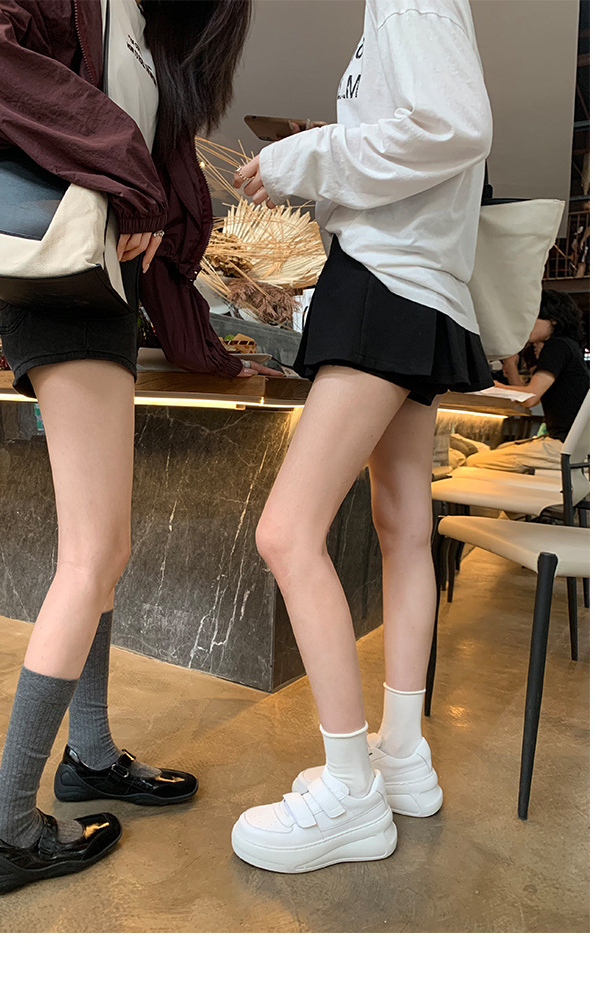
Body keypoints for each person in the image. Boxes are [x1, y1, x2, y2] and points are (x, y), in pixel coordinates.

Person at [0, 0, 266, 896]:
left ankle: (90, 755)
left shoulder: (149, 29)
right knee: (93, 555)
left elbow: (155, 179)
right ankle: (7, 830)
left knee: (101, 552)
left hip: (105, 297)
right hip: (60, 281)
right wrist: (127, 177)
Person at [230, 0, 493, 873]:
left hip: (385, 281)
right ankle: (402, 758)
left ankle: (350, 792)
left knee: (287, 532)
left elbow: (453, 127)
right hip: (422, 288)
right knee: (403, 531)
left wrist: (298, 158)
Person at [469, 289, 590, 472]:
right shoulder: (568, 346)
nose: (526, 324)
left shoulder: (557, 346)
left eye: (532, 317)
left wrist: (489, 385)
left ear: (553, 319)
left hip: (565, 447)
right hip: (576, 447)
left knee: (474, 461)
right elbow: (529, 396)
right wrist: (510, 364)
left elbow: (530, 398)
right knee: (500, 449)